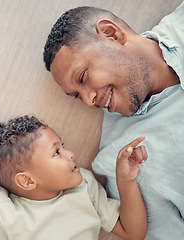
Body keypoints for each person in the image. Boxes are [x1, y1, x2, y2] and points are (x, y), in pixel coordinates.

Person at [43, 3, 184, 239]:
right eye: (77, 96)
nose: (88, 101)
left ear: (112, 34)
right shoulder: (124, 159)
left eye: (83, 77)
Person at [0, 115, 148, 240]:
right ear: (27, 181)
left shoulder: (83, 185)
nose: (71, 154)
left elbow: (133, 232)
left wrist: (126, 181)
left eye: (63, 146)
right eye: (57, 152)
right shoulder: (3, 211)